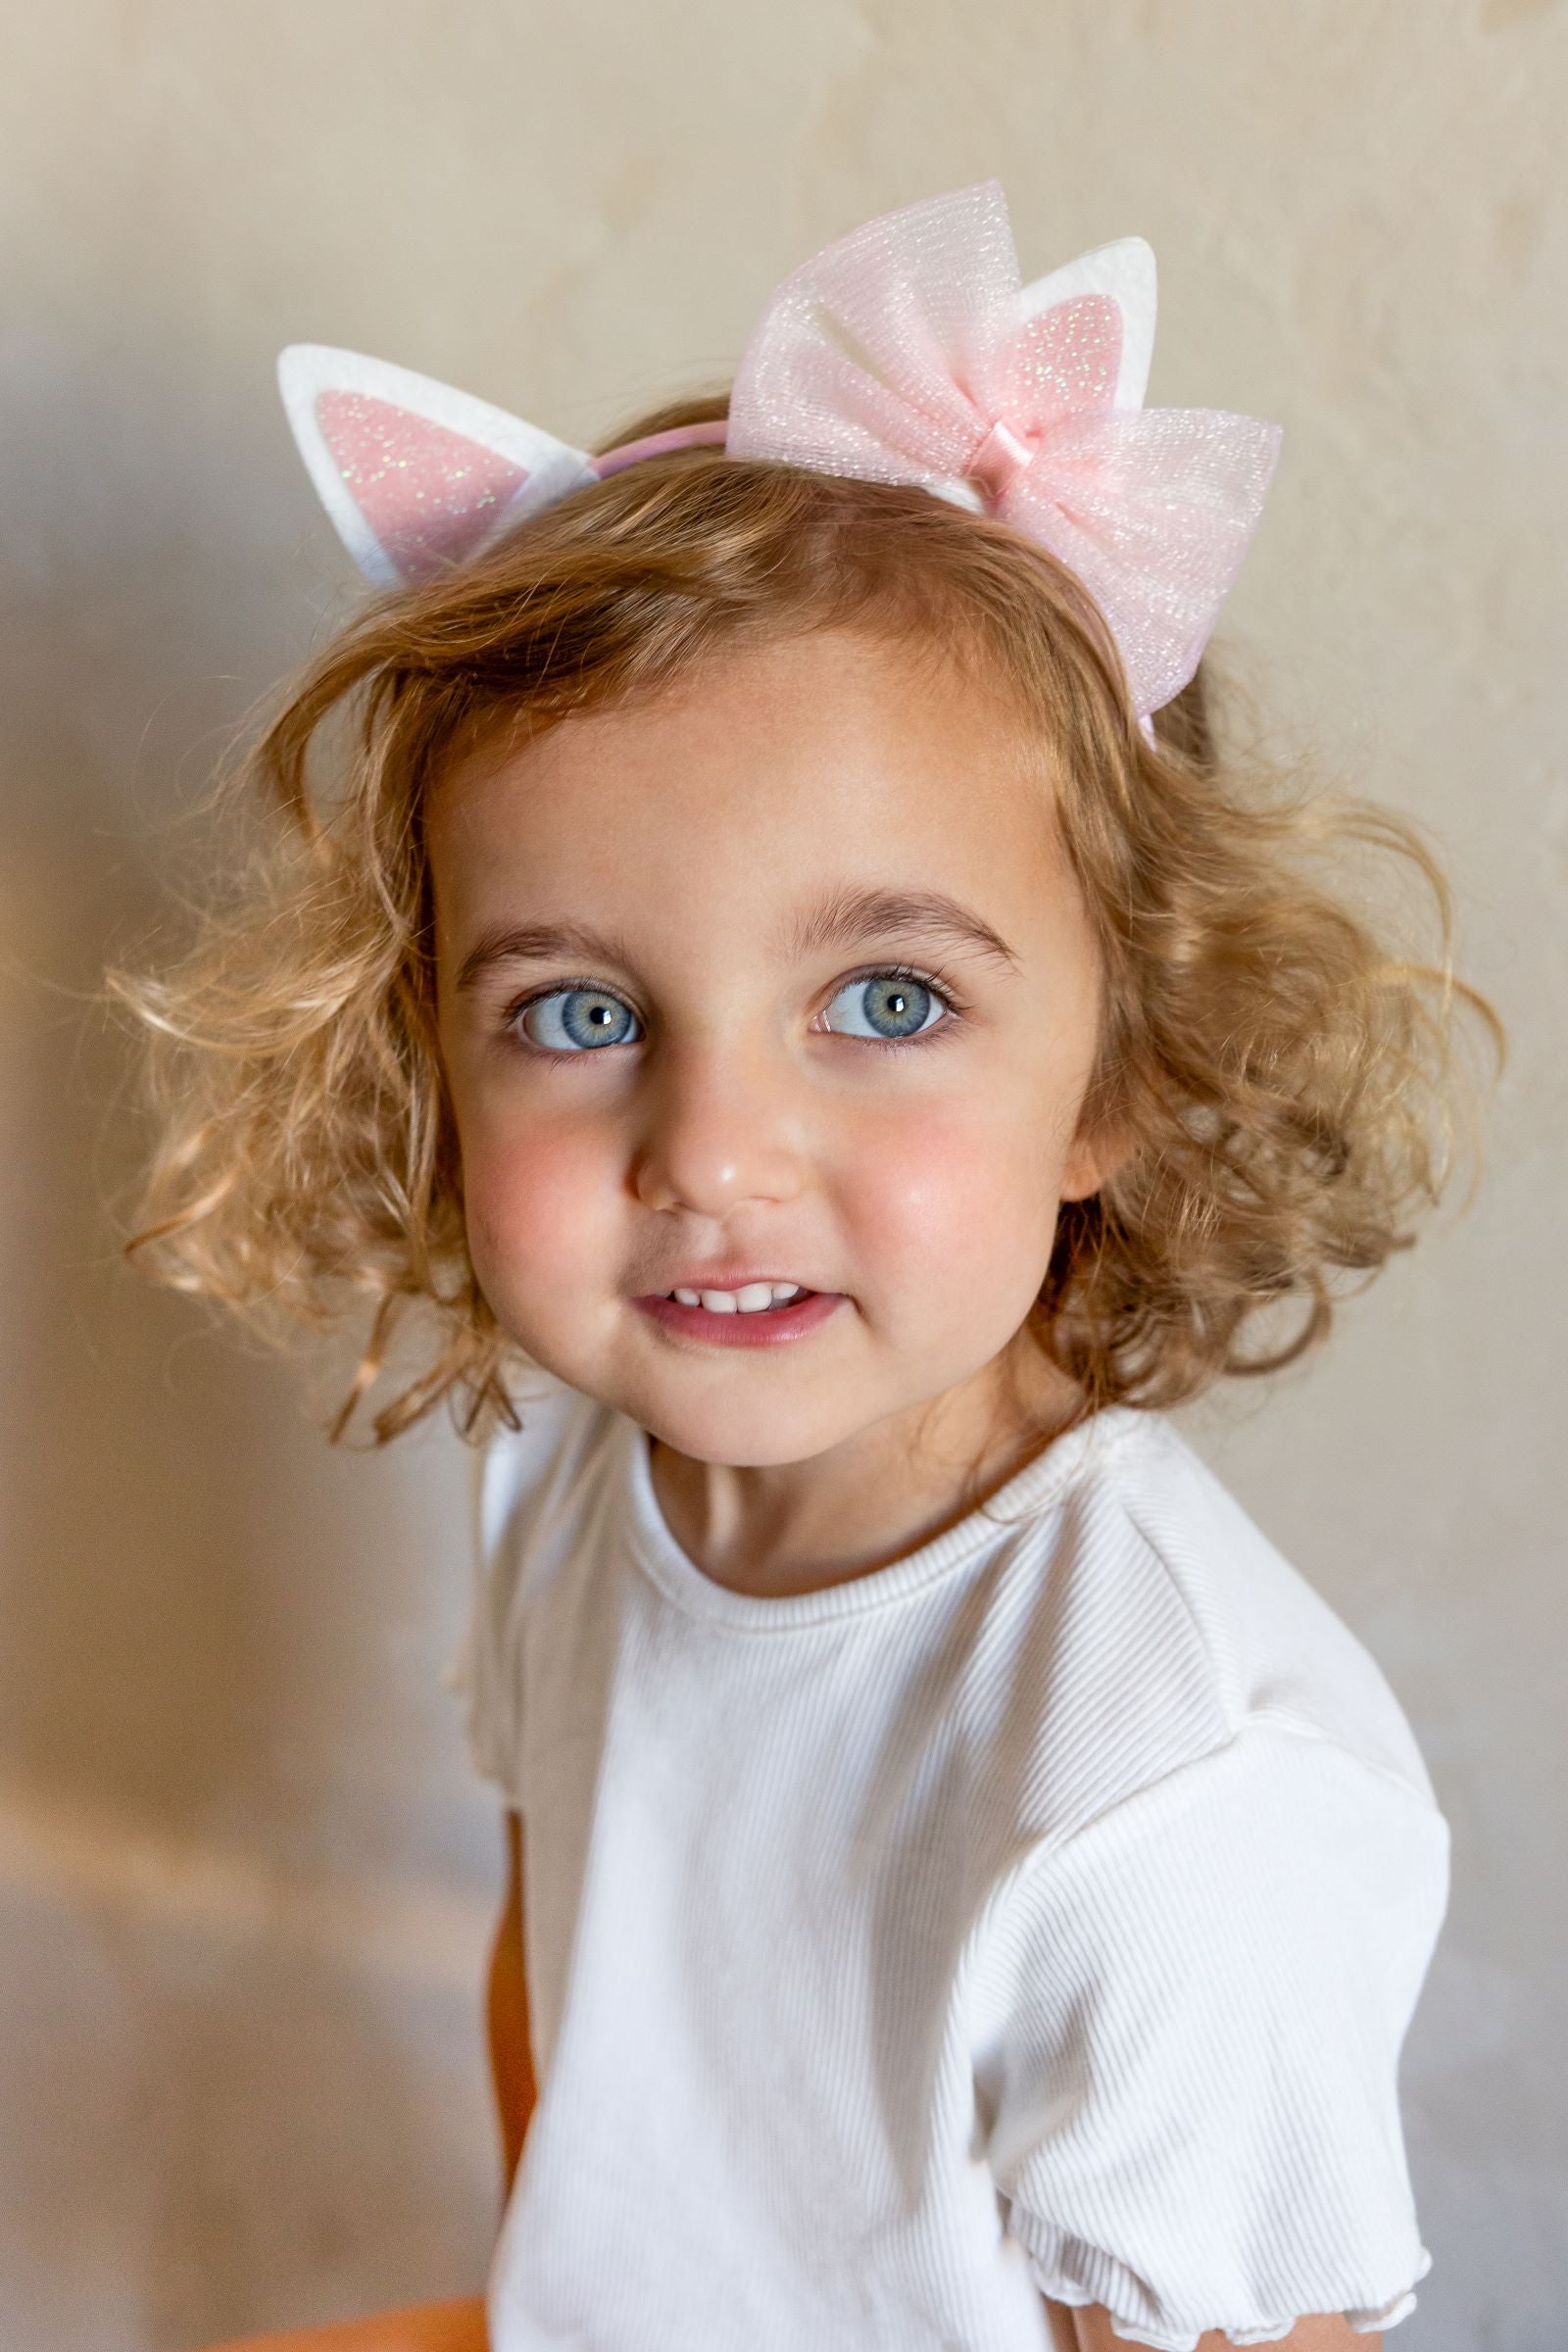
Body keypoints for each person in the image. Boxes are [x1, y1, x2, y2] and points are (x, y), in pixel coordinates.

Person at [109, 181, 1503, 2352]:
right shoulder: (577, 1481)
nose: (712, 1153)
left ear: (1118, 1069)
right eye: (578, 1013)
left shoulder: (1171, 1783)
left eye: (882, 1000)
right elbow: (554, 1975)